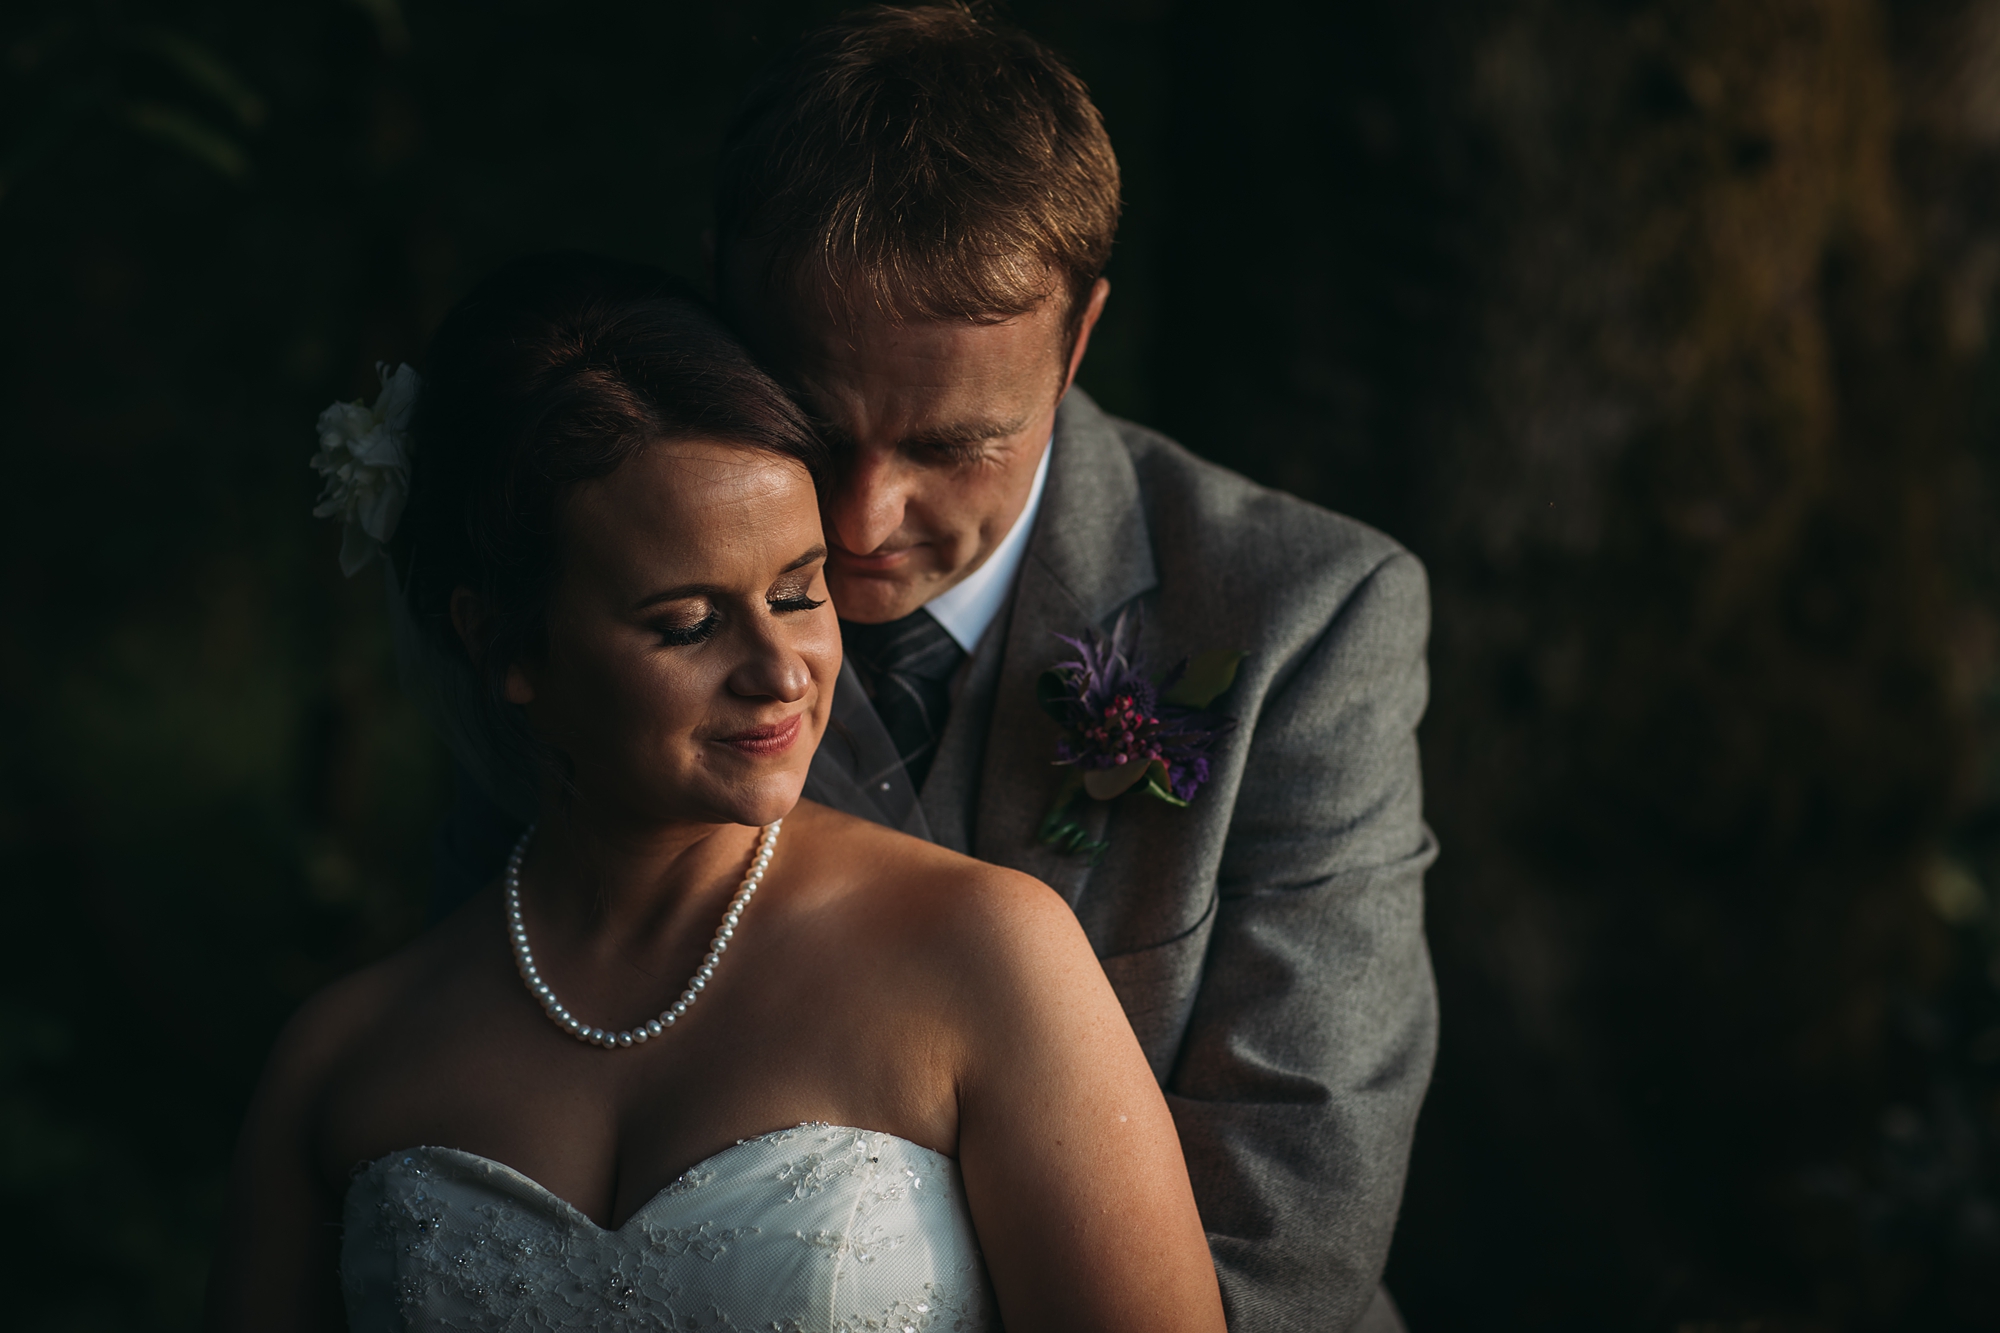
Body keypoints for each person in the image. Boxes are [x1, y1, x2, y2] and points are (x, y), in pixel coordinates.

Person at [435, 8, 1440, 1330]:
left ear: (1076, 340)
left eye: (952, 447)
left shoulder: (1304, 622)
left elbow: (1293, 1236)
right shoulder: (579, 606)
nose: (860, 520)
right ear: (718, 294)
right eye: (816, 418)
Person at [204, 255, 1229, 1332]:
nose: (779, 670)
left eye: (797, 592)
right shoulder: (341, 1062)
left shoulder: (988, 954)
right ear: (503, 642)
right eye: (686, 623)